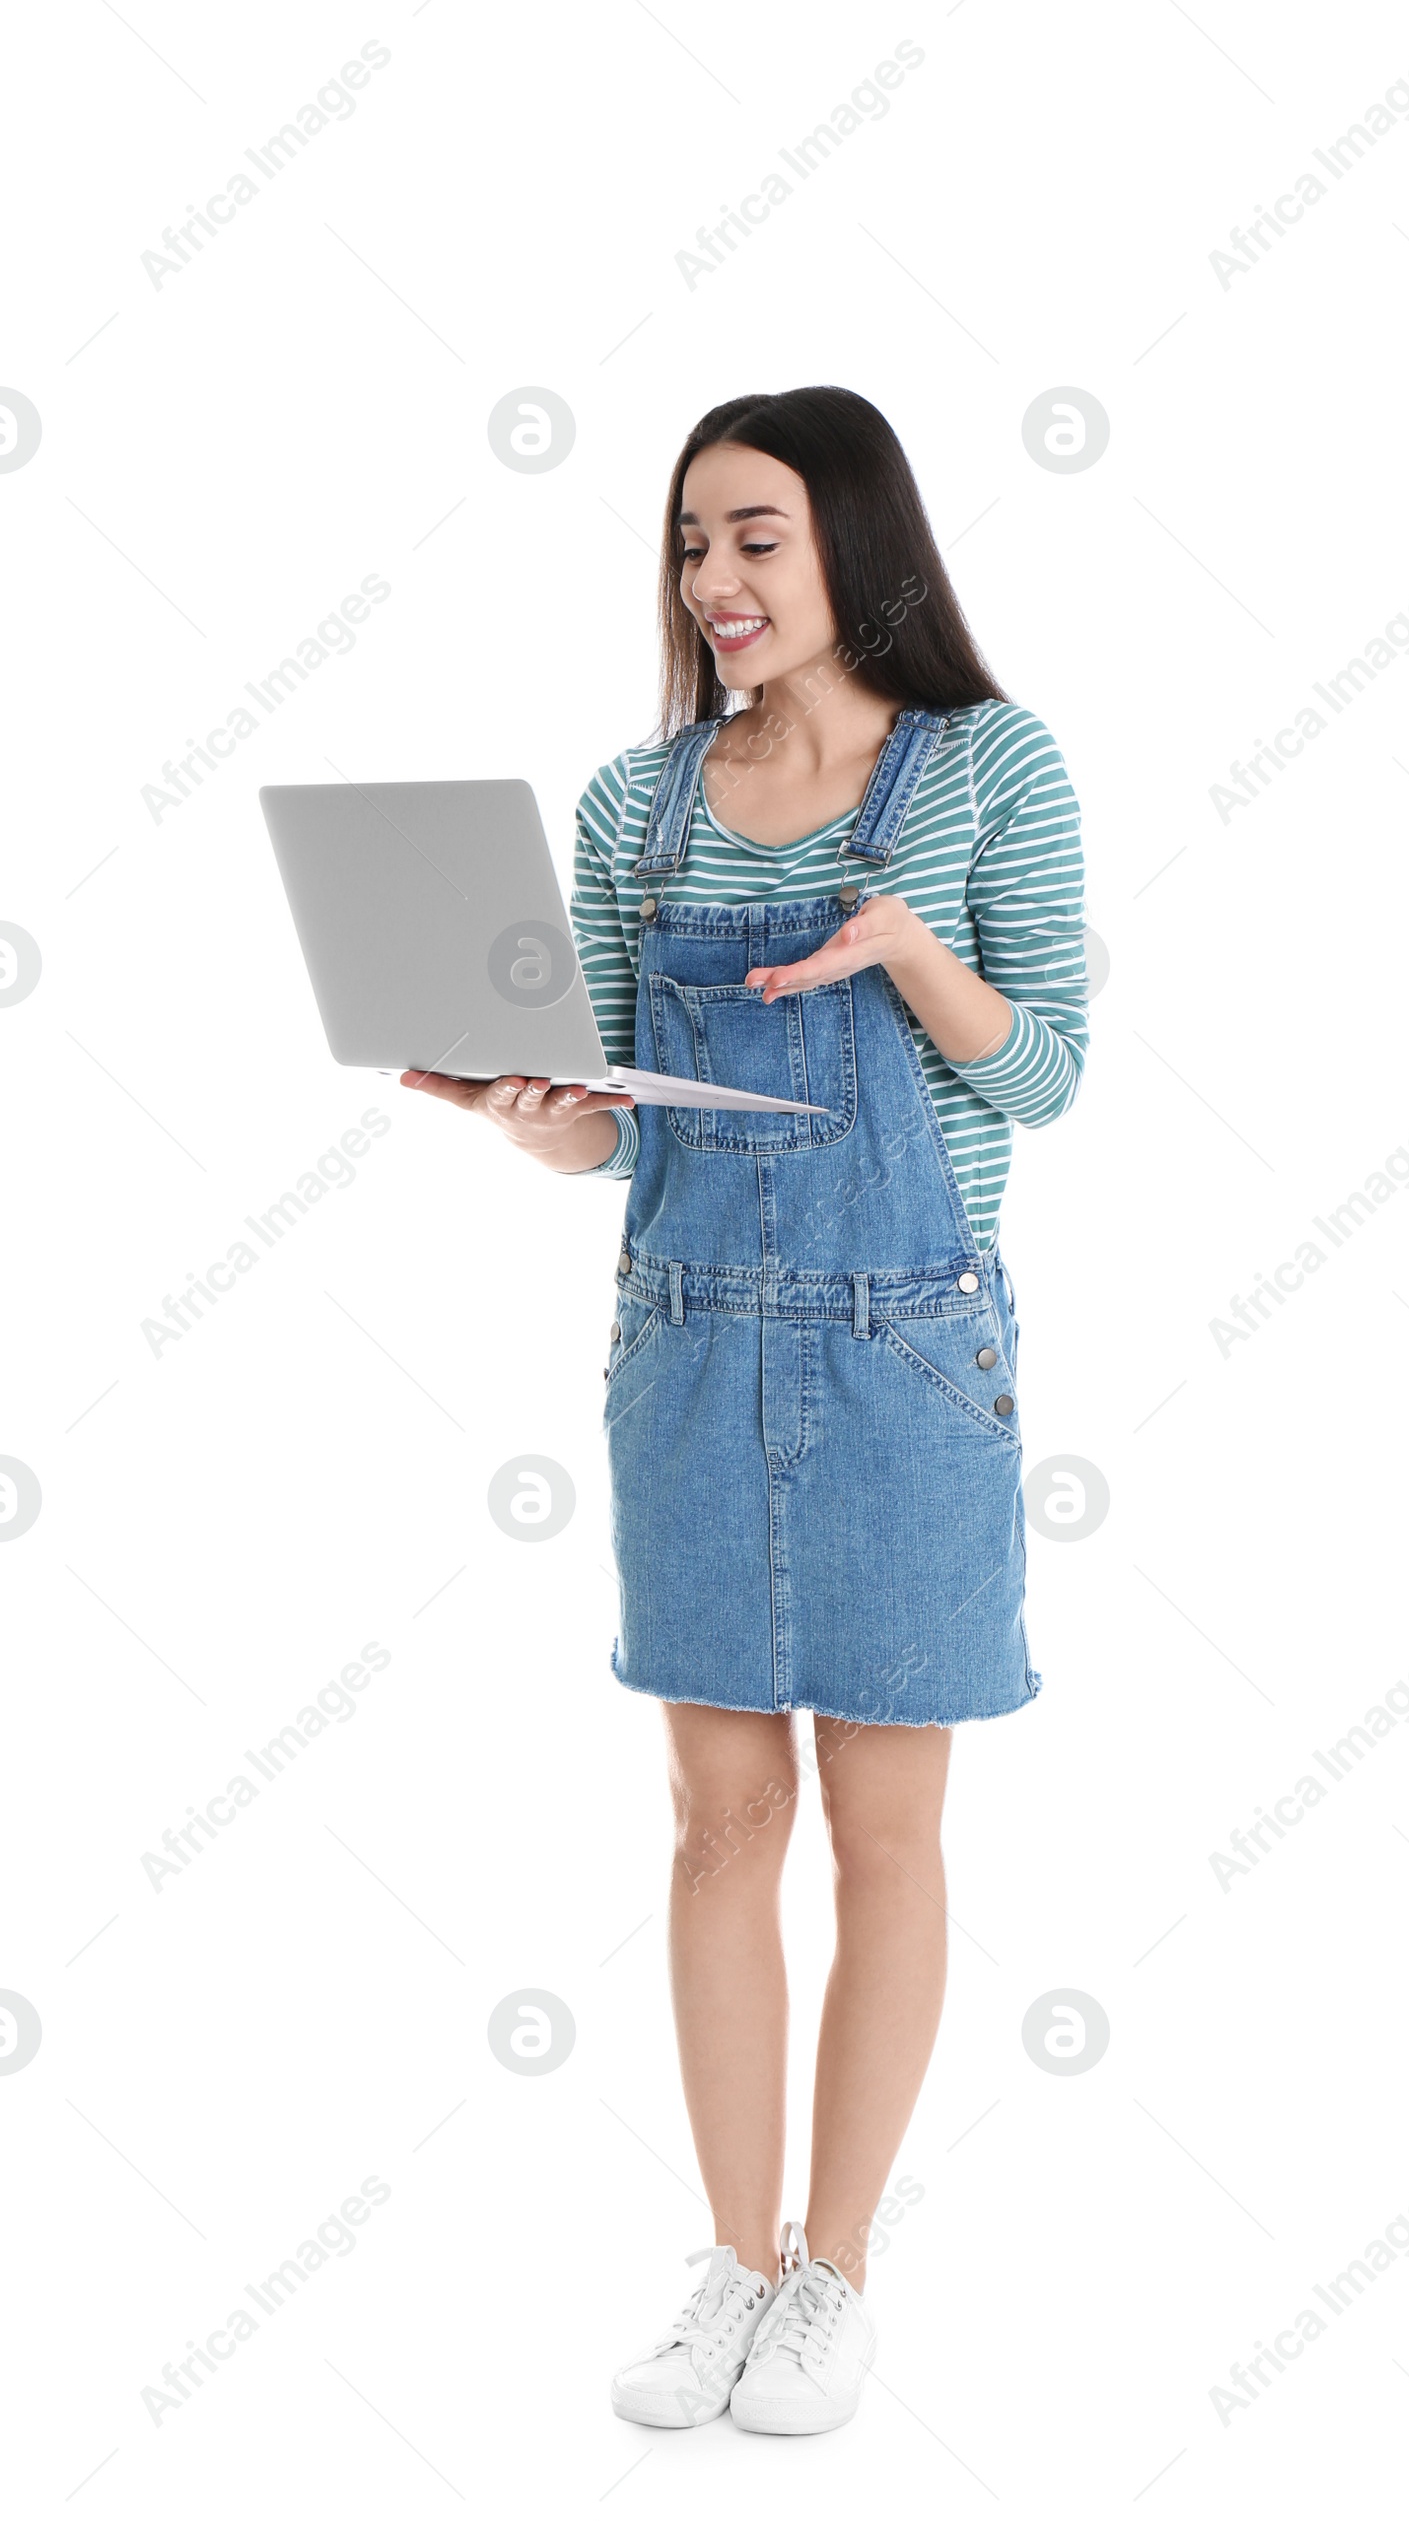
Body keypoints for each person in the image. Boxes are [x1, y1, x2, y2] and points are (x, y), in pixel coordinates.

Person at [404, 385, 1088, 2435]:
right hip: (688, 1339)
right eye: (691, 542)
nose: (711, 580)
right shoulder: (640, 802)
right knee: (717, 1824)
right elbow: (621, 1121)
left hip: (901, 1347)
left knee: (885, 1831)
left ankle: (836, 2267)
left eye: (754, 536)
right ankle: (729, 2256)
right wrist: (534, 1122)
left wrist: (907, 957)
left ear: (852, 542)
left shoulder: (988, 767)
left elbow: (1044, 1069)